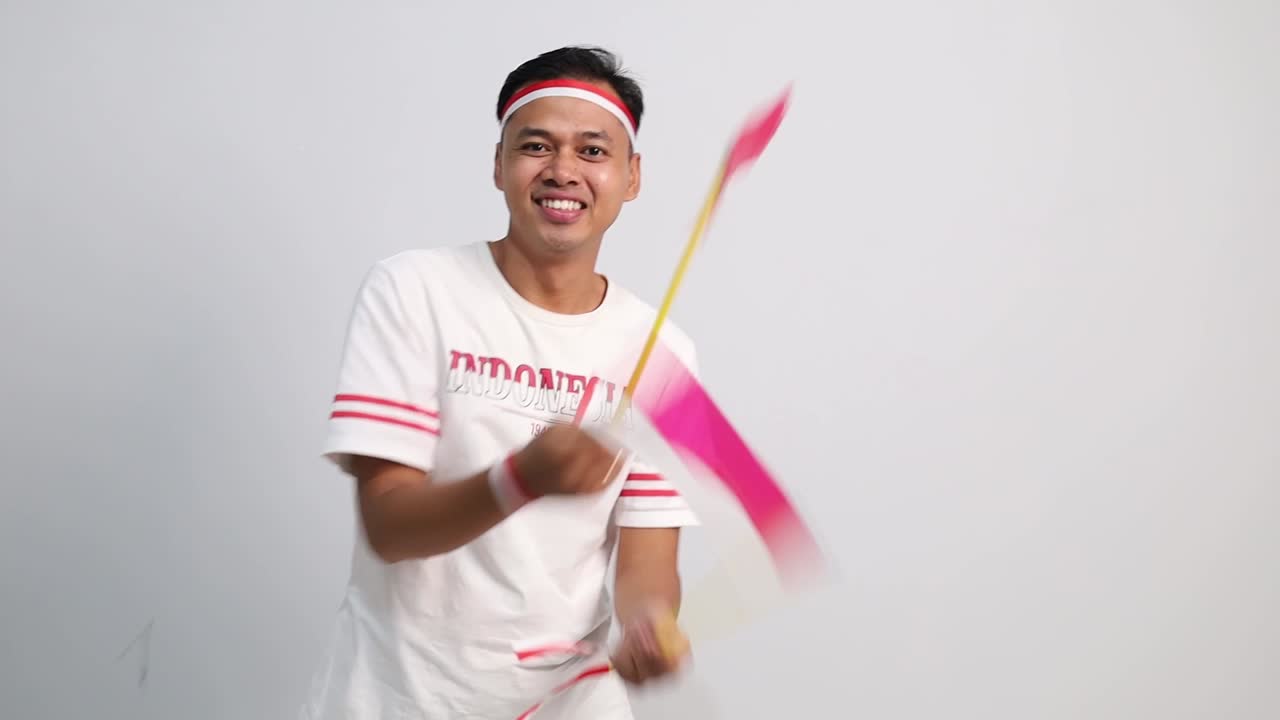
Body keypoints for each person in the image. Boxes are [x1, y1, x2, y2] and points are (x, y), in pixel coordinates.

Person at [299, 46, 701, 719]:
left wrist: (648, 626)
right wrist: (520, 477)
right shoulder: (414, 290)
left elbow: (647, 558)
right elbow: (389, 526)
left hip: (569, 701)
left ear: (631, 178)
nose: (563, 171)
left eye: (593, 151)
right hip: (399, 697)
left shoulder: (664, 351)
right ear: (498, 165)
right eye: (536, 146)